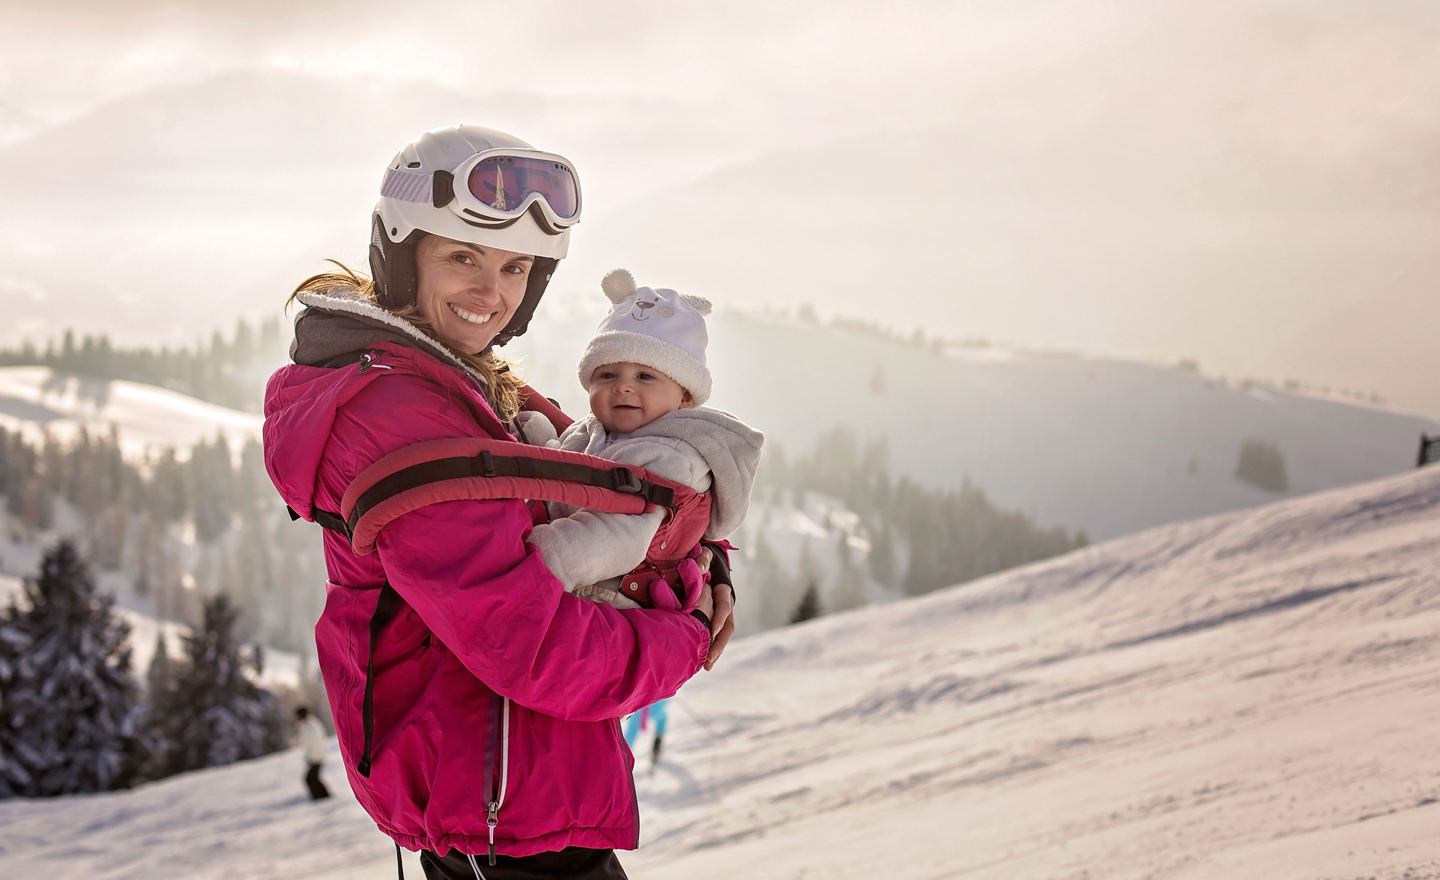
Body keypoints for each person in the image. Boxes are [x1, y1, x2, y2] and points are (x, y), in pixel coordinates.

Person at [263, 125, 736, 880]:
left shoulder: (469, 387)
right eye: (462, 257)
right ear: (400, 253)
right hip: (497, 808)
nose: (492, 294)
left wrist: (700, 566)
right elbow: (532, 643)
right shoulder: (397, 413)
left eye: (515, 267)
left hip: (522, 788)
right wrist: (682, 637)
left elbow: (624, 475)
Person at [521, 268, 763, 611]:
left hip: (612, 597)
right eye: (607, 375)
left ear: (685, 396)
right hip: (579, 578)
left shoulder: (673, 458)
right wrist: (543, 444)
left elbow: (620, 534)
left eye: (644, 376)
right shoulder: (596, 430)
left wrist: (543, 556)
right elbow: (569, 471)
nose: (622, 386)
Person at [294, 706, 330, 800]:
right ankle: (323, 796)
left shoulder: (310, 726)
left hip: (316, 756)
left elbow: (314, 742)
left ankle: (321, 797)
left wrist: (313, 757)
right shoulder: (311, 724)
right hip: (317, 755)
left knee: (310, 779)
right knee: (313, 778)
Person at [623, 699, 669, 772]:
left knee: (631, 733)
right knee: (661, 720)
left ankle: (623, 757)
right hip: (653, 704)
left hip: (640, 706)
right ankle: (657, 743)